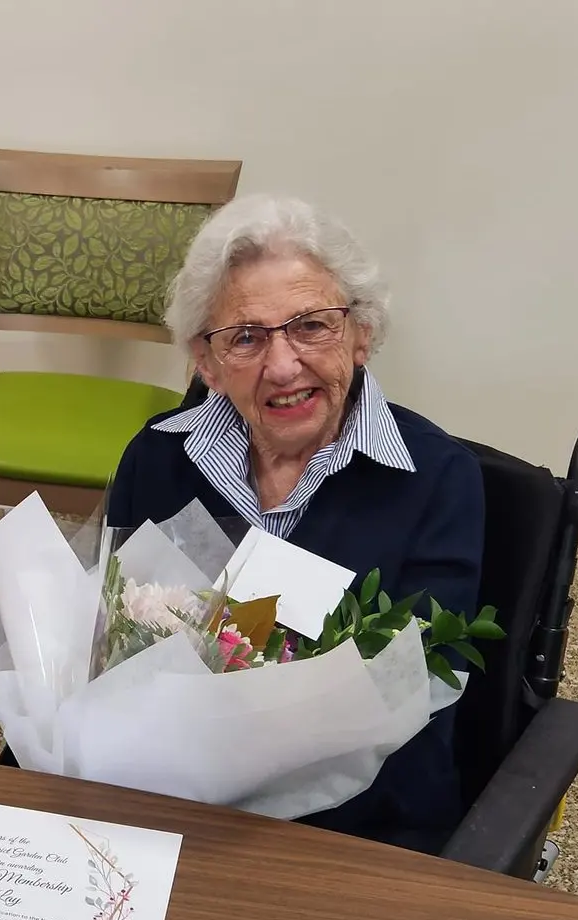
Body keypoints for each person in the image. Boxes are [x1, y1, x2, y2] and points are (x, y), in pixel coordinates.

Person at [107, 193, 486, 853]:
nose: (282, 365)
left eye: (312, 325)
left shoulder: (437, 480)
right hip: (163, 791)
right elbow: (107, 640)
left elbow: (417, 680)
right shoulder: (157, 457)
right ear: (206, 360)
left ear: (361, 333)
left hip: (357, 824)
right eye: (246, 337)